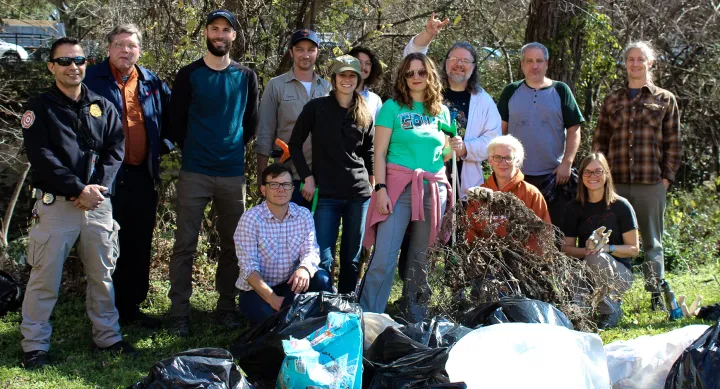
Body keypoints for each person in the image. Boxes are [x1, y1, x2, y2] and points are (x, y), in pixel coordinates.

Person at [20, 37, 131, 369]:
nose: (73, 67)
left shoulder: (101, 104)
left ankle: (108, 339)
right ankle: (34, 346)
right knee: (45, 279)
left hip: (98, 203)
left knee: (103, 275)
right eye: (65, 61)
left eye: (79, 60)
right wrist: (76, 189)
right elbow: (42, 159)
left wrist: (99, 188)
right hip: (57, 206)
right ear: (52, 66)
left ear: (86, 64)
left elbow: (116, 148)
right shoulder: (38, 108)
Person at [167, 9, 259, 336]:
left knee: (235, 243)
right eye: (214, 29)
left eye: (226, 30)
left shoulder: (246, 76)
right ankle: (179, 311)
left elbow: (251, 123)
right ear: (206, 33)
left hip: (232, 172)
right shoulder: (189, 74)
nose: (220, 35)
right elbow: (176, 121)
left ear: (234, 35)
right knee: (185, 244)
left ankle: (226, 307)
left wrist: (230, 145)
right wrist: (196, 146)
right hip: (195, 170)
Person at [84, 23, 172, 328]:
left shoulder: (151, 82)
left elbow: (171, 119)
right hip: (103, 177)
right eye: (120, 44)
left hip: (141, 176)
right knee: (106, 244)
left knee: (137, 242)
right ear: (109, 48)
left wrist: (162, 147)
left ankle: (131, 308)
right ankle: (106, 310)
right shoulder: (91, 79)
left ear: (139, 50)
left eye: (132, 45)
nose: (126, 50)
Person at [359, 52, 453, 323]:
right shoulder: (392, 107)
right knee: (384, 257)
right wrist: (380, 189)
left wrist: (453, 148)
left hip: (432, 190)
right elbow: (378, 153)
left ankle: (416, 316)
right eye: (410, 73)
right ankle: (369, 317)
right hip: (397, 188)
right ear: (402, 76)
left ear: (430, 75)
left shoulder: (441, 111)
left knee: (421, 259)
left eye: (421, 72)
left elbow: (443, 155)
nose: (415, 77)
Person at [592, 41, 681, 310]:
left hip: (651, 181)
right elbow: (600, 142)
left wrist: (666, 178)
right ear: (625, 64)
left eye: (640, 59)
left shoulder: (665, 99)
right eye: (630, 59)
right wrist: (600, 179)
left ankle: (655, 294)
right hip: (615, 183)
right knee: (612, 238)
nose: (634, 63)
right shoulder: (612, 100)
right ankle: (613, 294)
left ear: (649, 63)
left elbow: (674, 143)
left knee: (652, 241)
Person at [289, 55, 374, 294]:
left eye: (352, 75)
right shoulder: (316, 108)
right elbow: (294, 145)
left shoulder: (364, 111)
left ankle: (346, 303)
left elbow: (369, 151)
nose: (347, 80)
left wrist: (373, 182)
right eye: (342, 75)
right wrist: (307, 176)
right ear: (333, 78)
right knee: (322, 257)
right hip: (325, 194)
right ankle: (322, 303)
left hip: (358, 195)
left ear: (358, 79)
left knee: (352, 258)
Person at [404, 13, 502, 196]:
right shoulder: (428, 90)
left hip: (464, 182)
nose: (459, 64)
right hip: (426, 174)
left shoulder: (483, 100)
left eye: (465, 61)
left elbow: (493, 139)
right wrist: (428, 34)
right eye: (454, 60)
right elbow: (411, 58)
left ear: (473, 67)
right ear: (445, 63)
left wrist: (466, 148)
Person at [497, 42, 584, 227]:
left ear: (547, 64)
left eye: (539, 61)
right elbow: (499, 132)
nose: (534, 66)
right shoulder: (510, 91)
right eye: (529, 61)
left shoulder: (560, 90)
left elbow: (574, 129)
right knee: (518, 233)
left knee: (554, 233)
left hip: (554, 177)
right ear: (522, 64)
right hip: (517, 176)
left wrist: (567, 163)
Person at [234, 164, 332, 325]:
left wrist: (304, 268)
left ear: (292, 189)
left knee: (321, 279)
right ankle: (290, 318)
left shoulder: (303, 215)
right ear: (263, 190)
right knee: (271, 321)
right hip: (258, 290)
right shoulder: (250, 219)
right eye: (274, 184)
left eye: (286, 184)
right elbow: (248, 268)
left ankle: (307, 320)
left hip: (291, 285)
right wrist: (272, 299)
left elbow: (311, 251)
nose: (281, 189)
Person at [562, 152, 639, 329]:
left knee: (596, 258)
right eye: (587, 172)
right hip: (585, 271)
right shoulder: (573, 208)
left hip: (619, 273)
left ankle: (611, 309)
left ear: (606, 174)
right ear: (581, 176)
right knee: (575, 315)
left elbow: (634, 249)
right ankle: (584, 311)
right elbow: (566, 248)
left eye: (598, 171)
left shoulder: (621, 206)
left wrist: (607, 248)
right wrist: (586, 251)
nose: (592, 176)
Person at [255, 29, 331, 206]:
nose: (305, 55)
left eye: (311, 50)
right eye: (299, 49)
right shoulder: (276, 86)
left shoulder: (327, 88)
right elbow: (265, 131)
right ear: (291, 52)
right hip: (286, 176)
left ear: (317, 52)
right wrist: (262, 175)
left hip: (320, 177)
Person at [466, 135, 551, 246]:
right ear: (490, 161)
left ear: (517, 160)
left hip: (523, 260)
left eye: (508, 157)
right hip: (485, 259)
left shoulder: (531, 193)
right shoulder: (479, 194)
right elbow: (470, 231)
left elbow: (543, 233)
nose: (503, 162)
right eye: (497, 157)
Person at [348, 46, 383, 118]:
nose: (363, 67)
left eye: (367, 63)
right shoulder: (337, 95)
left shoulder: (375, 100)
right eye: (359, 62)